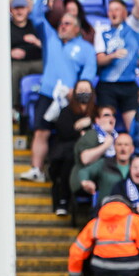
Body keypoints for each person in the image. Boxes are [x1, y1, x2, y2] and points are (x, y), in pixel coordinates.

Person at [20, 0, 96, 183]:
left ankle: (66, 177)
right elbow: (36, 17)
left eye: (68, 24)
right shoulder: (51, 38)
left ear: (77, 29)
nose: (63, 26)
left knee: (69, 135)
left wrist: (76, 92)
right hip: (47, 93)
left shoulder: (86, 48)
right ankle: (36, 169)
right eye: (62, 23)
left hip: (70, 98)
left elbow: (89, 74)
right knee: (41, 131)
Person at [94, 0, 139, 131]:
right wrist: (113, 56)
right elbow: (99, 59)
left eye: (117, 9)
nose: (113, 13)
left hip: (129, 84)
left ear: (125, 13)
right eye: (110, 10)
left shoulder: (132, 26)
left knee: (134, 128)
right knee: (105, 126)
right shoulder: (102, 31)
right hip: (107, 85)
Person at [68, 195, 139, 276]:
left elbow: (77, 251)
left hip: (100, 268)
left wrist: (74, 274)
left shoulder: (95, 223)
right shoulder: (135, 220)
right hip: (130, 268)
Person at [49, 79, 96, 216]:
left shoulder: (96, 112)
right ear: (74, 92)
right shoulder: (66, 111)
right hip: (69, 151)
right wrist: (81, 133)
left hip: (94, 151)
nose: (83, 93)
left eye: (86, 90)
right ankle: (63, 199)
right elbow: (65, 133)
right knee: (68, 160)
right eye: (80, 90)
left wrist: (89, 122)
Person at [76, 132, 135, 206]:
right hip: (106, 208)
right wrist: (85, 182)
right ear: (114, 147)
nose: (123, 148)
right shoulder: (104, 163)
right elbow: (84, 172)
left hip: (131, 209)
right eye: (119, 144)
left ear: (132, 149)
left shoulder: (137, 165)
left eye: (126, 145)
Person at [10, 0, 43, 114]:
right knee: (14, 71)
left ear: (27, 10)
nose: (19, 11)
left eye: (22, 8)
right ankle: (13, 107)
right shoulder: (7, 27)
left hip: (37, 61)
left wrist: (36, 41)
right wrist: (10, 53)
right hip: (18, 64)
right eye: (16, 8)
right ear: (11, 11)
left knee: (51, 67)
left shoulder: (35, 25)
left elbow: (48, 47)